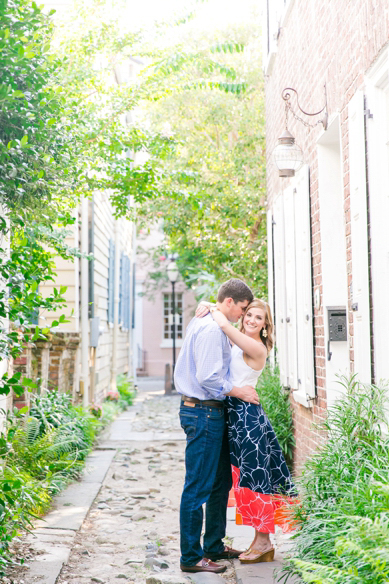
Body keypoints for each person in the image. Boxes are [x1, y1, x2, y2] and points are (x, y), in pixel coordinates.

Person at [196, 298, 297, 564]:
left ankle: (264, 541)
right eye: (248, 314)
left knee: (256, 480)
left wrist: (215, 310)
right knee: (242, 481)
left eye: (258, 318)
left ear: (266, 325)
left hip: (248, 420)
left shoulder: (256, 347)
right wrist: (208, 303)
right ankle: (257, 540)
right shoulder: (240, 339)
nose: (251, 320)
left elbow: (226, 329)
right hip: (233, 416)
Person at [174, 278, 259, 575]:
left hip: (211, 413)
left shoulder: (211, 317)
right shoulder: (211, 329)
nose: (243, 315)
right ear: (229, 302)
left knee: (220, 483)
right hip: (202, 413)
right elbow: (209, 377)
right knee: (198, 486)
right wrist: (240, 391)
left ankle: (213, 545)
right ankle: (191, 557)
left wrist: (210, 306)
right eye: (242, 308)